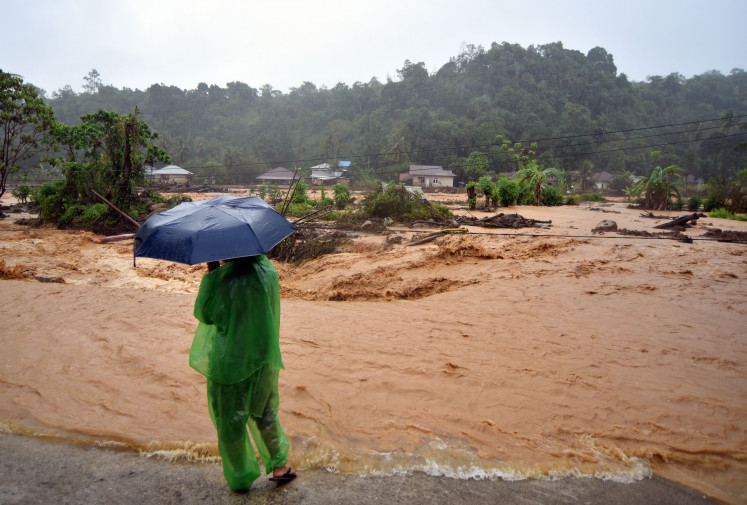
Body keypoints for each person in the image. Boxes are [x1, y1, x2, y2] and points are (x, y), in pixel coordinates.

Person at [189, 255, 296, 492]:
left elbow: (207, 314)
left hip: (229, 359)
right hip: (262, 355)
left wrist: (213, 271)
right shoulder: (266, 269)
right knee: (265, 411)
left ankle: (240, 476)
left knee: (230, 419)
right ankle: (280, 467)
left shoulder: (227, 278)